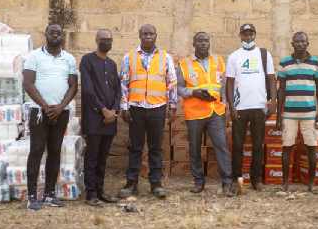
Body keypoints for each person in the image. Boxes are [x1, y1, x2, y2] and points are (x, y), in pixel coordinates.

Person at [118, 24, 177, 199]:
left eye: (151, 33)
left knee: (155, 147)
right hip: (136, 108)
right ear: (140, 36)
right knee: (135, 146)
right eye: (145, 34)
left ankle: (156, 183)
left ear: (156, 35)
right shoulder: (129, 57)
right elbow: (123, 83)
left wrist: (172, 107)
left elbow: (172, 83)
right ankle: (132, 183)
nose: (148, 36)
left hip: (157, 107)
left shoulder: (166, 57)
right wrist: (124, 106)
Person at [23, 23, 78, 210]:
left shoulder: (69, 59)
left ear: (63, 36)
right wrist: (45, 106)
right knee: (37, 150)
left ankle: (49, 193)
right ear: (45, 34)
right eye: (52, 33)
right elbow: (28, 83)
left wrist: (61, 107)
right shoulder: (34, 56)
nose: (55, 35)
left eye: (59, 33)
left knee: (55, 151)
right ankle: (32, 196)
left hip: (61, 112)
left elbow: (73, 86)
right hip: (39, 111)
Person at [177, 32, 234, 197]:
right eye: (200, 41)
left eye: (206, 41)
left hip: (216, 111)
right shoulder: (184, 64)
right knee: (194, 148)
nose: (203, 43)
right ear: (193, 43)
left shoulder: (217, 61)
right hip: (195, 112)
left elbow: (221, 85)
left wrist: (224, 103)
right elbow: (179, 87)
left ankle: (227, 183)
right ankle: (199, 182)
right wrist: (193, 93)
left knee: (221, 146)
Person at [226, 23, 277, 191]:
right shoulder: (234, 56)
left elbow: (271, 79)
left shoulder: (264, 54)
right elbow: (230, 82)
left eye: (250, 34)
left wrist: (273, 103)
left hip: (259, 107)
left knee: (257, 146)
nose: (248, 38)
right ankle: (236, 178)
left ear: (255, 35)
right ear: (240, 37)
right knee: (238, 146)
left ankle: (255, 180)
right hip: (240, 108)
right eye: (244, 35)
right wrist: (231, 106)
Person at [276, 32, 318, 193]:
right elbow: (281, 90)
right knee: (286, 147)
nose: (299, 44)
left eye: (302, 42)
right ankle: (284, 183)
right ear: (292, 44)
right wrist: (278, 115)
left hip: (309, 113)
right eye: (297, 42)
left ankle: (311, 184)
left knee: (311, 147)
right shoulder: (284, 63)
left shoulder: (316, 63)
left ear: (307, 43)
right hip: (289, 114)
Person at [79, 29, 121, 206]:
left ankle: (100, 190)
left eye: (109, 39)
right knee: (92, 157)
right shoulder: (87, 60)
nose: (106, 42)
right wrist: (103, 110)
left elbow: (118, 90)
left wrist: (113, 111)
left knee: (103, 157)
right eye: (103, 39)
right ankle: (91, 194)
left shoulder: (111, 64)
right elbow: (88, 90)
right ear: (96, 40)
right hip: (95, 117)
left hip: (110, 117)